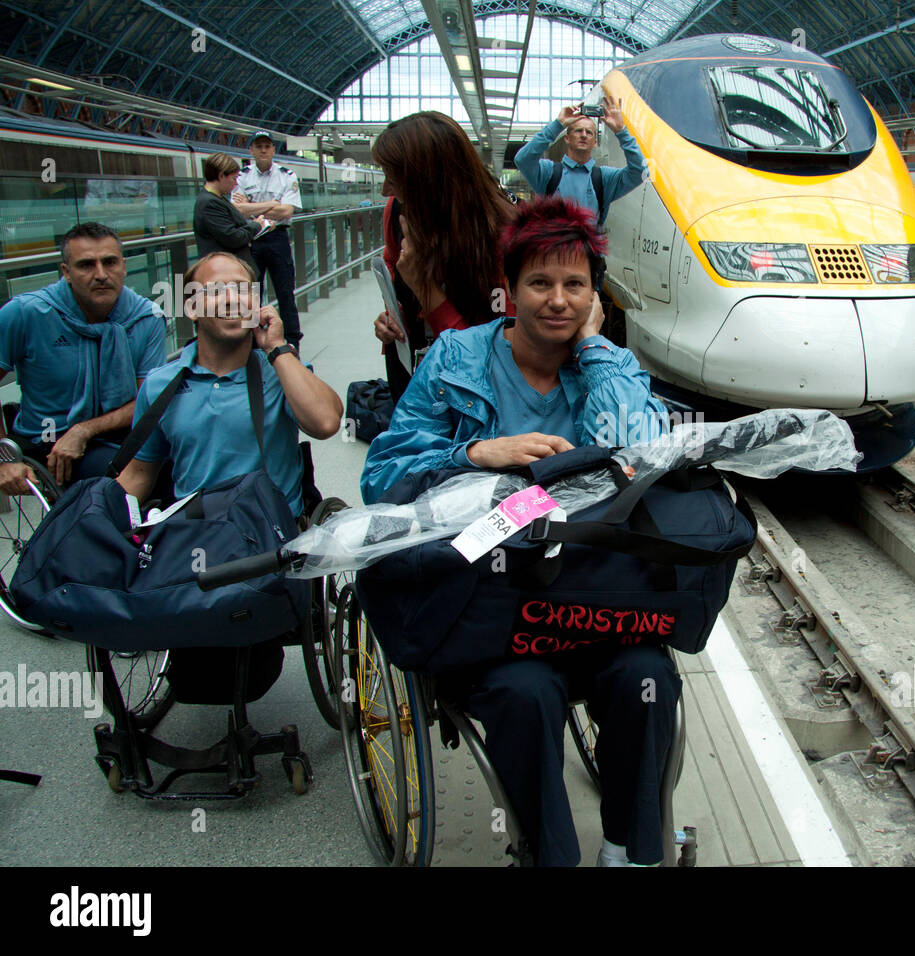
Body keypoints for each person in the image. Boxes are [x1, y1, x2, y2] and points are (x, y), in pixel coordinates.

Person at [361, 196, 676, 867]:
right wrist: (475, 455)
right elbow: (382, 475)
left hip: (592, 603)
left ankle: (632, 849)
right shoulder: (455, 361)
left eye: (574, 285)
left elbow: (642, 458)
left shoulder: (608, 365)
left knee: (649, 676)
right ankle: (549, 854)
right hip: (490, 609)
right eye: (539, 282)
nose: (557, 301)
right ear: (507, 292)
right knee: (526, 693)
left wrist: (594, 350)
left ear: (595, 296)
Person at [114, 251, 342, 520]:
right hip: (196, 535)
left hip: (273, 536)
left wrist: (277, 349)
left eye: (242, 290)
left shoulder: (281, 370)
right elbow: (139, 473)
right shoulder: (160, 385)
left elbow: (326, 422)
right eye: (215, 291)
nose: (232, 299)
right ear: (191, 308)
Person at [0, 222, 167, 493]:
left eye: (110, 262)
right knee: (127, 483)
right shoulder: (26, 313)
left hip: (123, 432)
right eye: (86, 265)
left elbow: (147, 400)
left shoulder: (146, 317)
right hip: (49, 438)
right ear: (66, 272)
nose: (101, 274)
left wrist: (85, 430)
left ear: (123, 266)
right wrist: (3, 459)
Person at [369, 111, 516, 401]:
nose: (386, 189)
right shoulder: (397, 211)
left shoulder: (505, 236)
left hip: (474, 392)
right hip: (415, 371)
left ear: (429, 184)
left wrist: (426, 290)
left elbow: (499, 354)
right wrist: (392, 313)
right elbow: (390, 263)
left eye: (394, 179)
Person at [513, 91, 646, 225]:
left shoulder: (604, 178)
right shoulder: (549, 173)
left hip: (588, 246)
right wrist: (558, 124)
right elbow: (523, 160)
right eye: (578, 130)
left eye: (589, 132)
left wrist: (621, 131)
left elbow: (640, 171)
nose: (583, 135)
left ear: (595, 142)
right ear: (567, 138)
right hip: (554, 246)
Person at [233, 132, 305, 351]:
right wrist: (272, 205)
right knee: (251, 292)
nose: (263, 150)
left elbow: (287, 211)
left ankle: (292, 341)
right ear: (251, 151)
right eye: (258, 146)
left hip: (277, 239)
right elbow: (236, 210)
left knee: (285, 293)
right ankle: (252, 342)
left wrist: (251, 207)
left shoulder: (287, 175)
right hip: (251, 239)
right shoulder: (242, 176)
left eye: (267, 146)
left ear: (273, 150)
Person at [194, 153, 270, 275]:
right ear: (221, 176)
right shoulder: (210, 203)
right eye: (233, 179)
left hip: (232, 271)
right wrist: (257, 225)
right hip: (227, 274)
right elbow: (233, 237)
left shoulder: (217, 199)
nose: (235, 184)